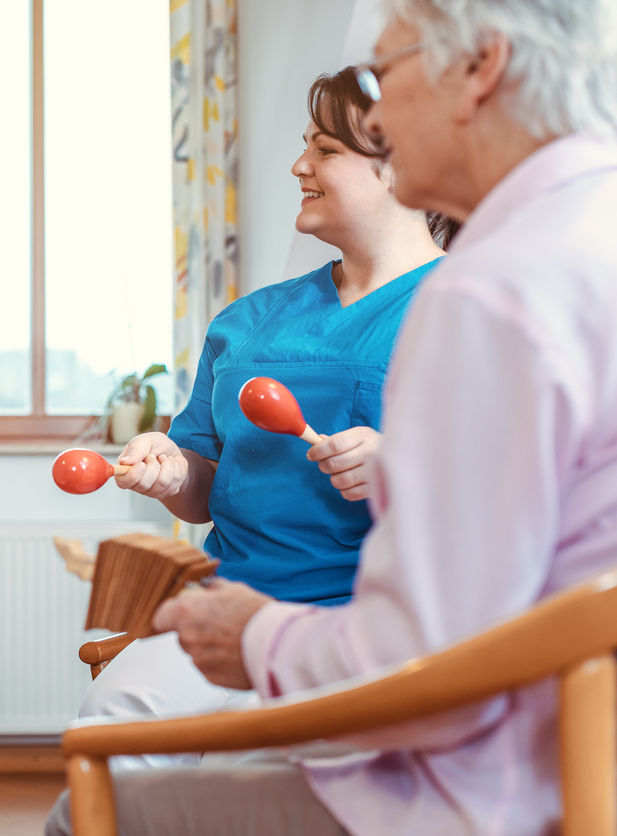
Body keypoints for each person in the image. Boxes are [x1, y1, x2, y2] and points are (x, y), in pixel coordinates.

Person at [60, 0, 617, 833]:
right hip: (549, 749)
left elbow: (426, 670)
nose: (383, 115)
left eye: (387, 74)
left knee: (87, 808)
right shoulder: (581, 236)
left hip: (479, 783)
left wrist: (255, 638)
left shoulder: (488, 289)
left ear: (480, 68)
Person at [76, 66, 451, 747]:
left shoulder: (466, 308)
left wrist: (405, 467)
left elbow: (515, 490)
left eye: (326, 151)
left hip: (374, 629)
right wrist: (172, 472)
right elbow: (203, 489)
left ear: (400, 165)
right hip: (229, 612)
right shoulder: (245, 323)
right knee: (110, 733)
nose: (298, 165)